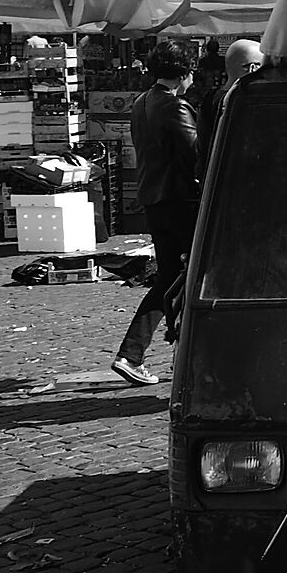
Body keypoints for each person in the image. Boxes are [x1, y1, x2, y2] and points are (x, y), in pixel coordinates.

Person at [114, 45, 205, 387]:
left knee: (169, 276)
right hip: (178, 200)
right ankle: (185, 349)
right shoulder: (173, 105)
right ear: (185, 73)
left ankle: (132, 353)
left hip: (154, 198)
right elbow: (195, 151)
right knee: (196, 273)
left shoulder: (141, 102)